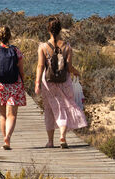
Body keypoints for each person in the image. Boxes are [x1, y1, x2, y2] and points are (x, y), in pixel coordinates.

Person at [35, 17, 87, 148]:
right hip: (64, 81)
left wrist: (37, 83)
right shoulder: (67, 47)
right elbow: (69, 67)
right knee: (64, 107)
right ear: (60, 29)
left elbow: (40, 66)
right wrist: (76, 72)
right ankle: (62, 136)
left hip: (48, 82)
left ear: (48, 30)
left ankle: (50, 141)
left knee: (50, 109)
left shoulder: (43, 47)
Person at [0, 26, 26, 150]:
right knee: (12, 115)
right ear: (10, 36)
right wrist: (23, 84)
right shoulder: (16, 51)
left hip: (0, 86)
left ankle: (6, 140)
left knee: (3, 115)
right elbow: (21, 71)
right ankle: (8, 137)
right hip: (15, 85)